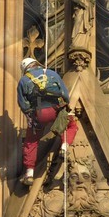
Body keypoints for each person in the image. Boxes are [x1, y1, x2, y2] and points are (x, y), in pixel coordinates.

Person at [16, 56, 79, 185]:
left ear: (25, 69)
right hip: (57, 110)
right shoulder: (52, 73)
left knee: (31, 142)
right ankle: (64, 146)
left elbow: (23, 104)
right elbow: (65, 94)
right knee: (71, 126)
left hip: (39, 114)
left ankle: (29, 174)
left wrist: (30, 116)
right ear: (36, 64)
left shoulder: (23, 80)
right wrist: (65, 107)